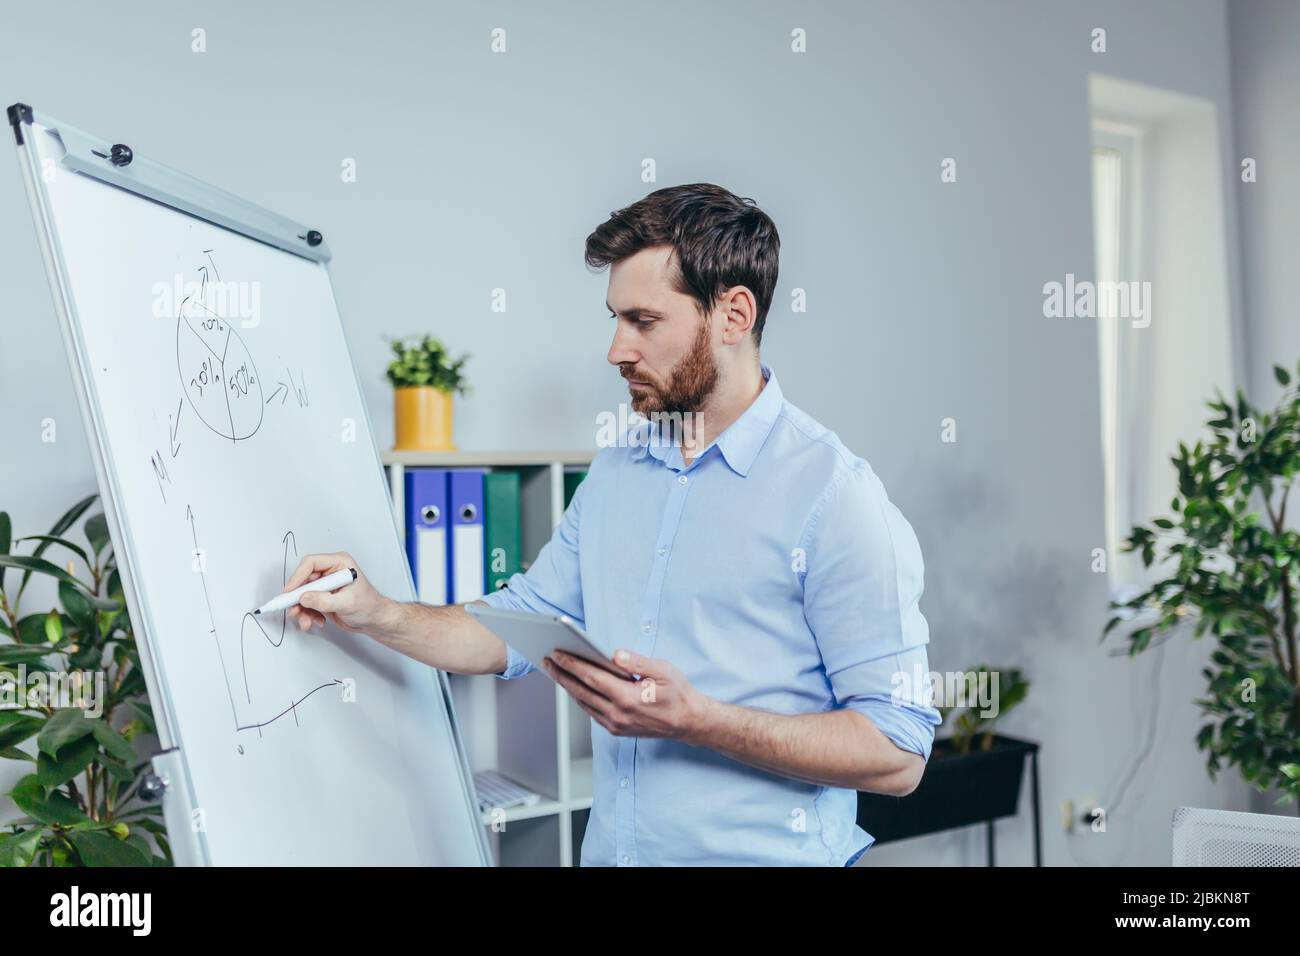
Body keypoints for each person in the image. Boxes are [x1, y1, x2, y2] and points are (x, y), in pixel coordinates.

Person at [284, 183, 941, 866]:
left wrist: (698, 721)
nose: (616, 350)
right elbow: (515, 626)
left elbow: (898, 753)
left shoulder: (835, 497)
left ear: (734, 314)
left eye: (643, 321)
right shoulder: (617, 471)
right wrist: (374, 611)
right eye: (614, 319)